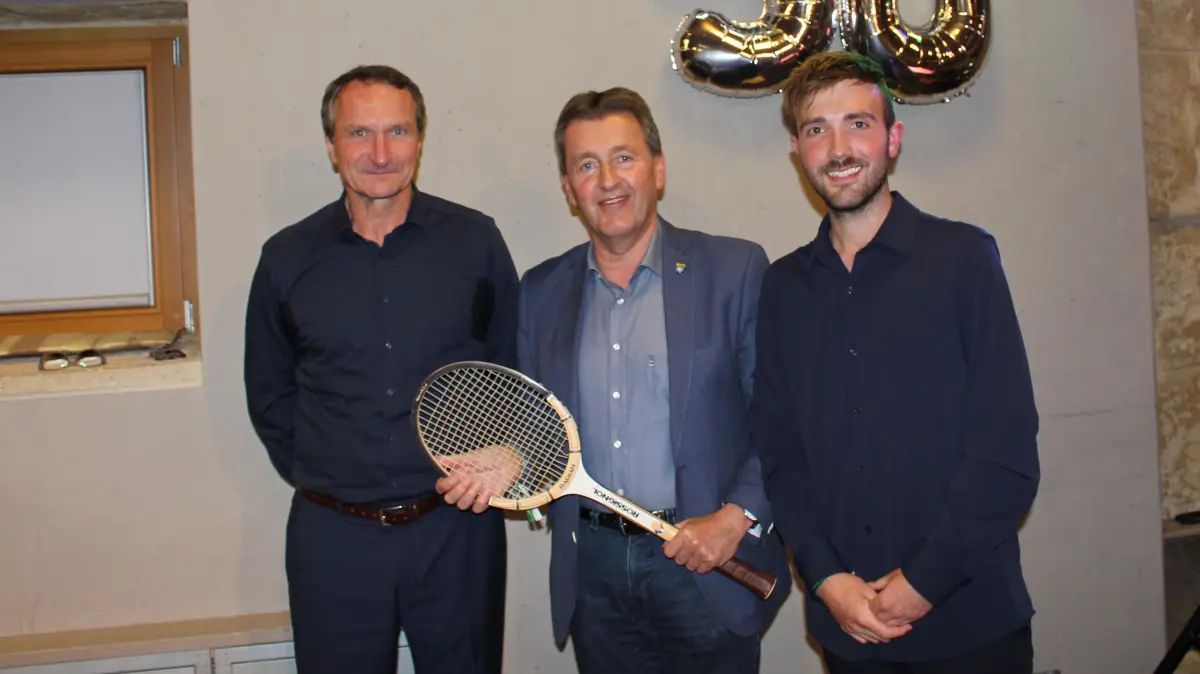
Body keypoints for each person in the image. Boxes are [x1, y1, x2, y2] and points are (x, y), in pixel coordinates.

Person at [437, 87, 790, 674]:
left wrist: (737, 517)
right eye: (586, 165)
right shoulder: (540, 293)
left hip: (704, 560)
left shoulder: (736, 270)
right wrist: (511, 464)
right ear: (569, 190)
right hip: (592, 569)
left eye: (624, 157)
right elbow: (538, 432)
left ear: (658, 168)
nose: (608, 179)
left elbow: (780, 416)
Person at [751, 51, 1041, 673]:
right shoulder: (781, 290)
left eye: (857, 123)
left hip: (970, 623)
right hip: (848, 633)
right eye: (815, 129)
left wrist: (920, 584)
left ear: (893, 138)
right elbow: (782, 459)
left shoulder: (963, 259)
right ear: (798, 152)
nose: (838, 147)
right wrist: (827, 579)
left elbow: (1007, 455)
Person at [244, 64, 518, 674]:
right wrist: (335, 472)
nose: (379, 153)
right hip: (334, 540)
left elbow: (510, 366)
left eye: (397, 132)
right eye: (358, 133)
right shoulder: (286, 259)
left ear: (420, 140)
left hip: (457, 528)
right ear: (331, 145)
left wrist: (503, 454)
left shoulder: (475, 243)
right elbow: (270, 396)